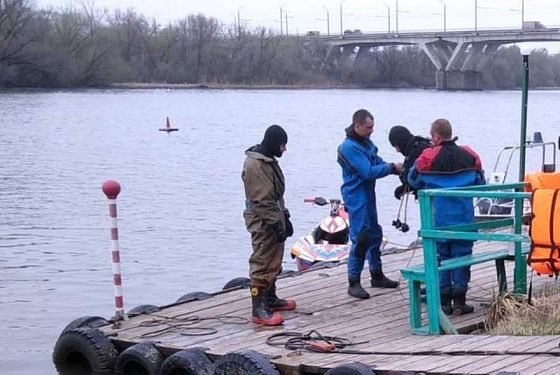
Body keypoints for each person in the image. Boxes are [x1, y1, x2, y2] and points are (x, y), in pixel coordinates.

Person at [408, 118, 485, 315]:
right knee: (462, 256)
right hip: (463, 218)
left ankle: (444, 302)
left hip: (438, 220)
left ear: (435, 136)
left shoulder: (428, 157)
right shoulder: (469, 154)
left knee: (441, 257)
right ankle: (460, 300)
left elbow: (413, 179)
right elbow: (480, 181)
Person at [337, 109, 403, 299]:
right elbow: (367, 171)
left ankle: (376, 274)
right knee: (361, 236)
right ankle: (353, 281)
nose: (371, 130)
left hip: (368, 193)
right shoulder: (348, 147)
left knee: (375, 232)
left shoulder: (366, 144)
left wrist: (396, 169)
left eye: (372, 127)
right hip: (355, 194)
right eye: (368, 127)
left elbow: (376, 162)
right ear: (357, 125)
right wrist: (391, 168)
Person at [242, 125, 296, 326]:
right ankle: (258, 309)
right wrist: (275, 224)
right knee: (263, 260)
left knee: (274, 259)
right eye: (282, 145)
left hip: (273, 215)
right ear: (274, 143)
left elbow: (275, 196)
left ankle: (270, 299)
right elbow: (262, 200)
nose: (284, 149)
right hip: (262, 220)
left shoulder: (268, 161)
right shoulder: (255, 165)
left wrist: (285, 218)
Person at [388, 125, 432, 200]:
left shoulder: (415, 151)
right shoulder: (421, 143)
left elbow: (408, 180)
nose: (397, 150)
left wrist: (399, 171)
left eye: (396, 146)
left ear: (400, 143)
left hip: (431, 195)